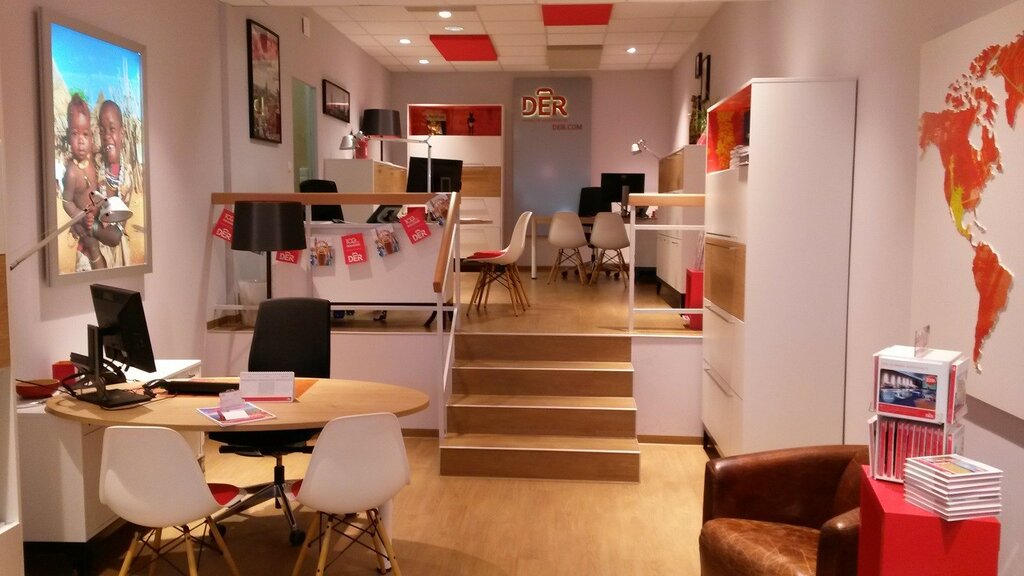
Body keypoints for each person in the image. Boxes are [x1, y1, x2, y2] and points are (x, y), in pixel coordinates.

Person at [61, 95, 105, 270]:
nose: (81, 141)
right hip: (84, 224)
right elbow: (66, 202)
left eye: (85, 134)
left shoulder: (93, 163)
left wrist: (99, 208)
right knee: (92, 249)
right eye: (75, 134)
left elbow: (98, 189)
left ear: (91, 136)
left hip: (97, 218)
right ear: (68, 135)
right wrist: (79, 215)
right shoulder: (72, 172)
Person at [95, 99, 130, 267]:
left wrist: (93, 229)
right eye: (102, 130)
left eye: (112, 129)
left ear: (122, 133)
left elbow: (116, 235)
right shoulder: (94, 170)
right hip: (95, 255)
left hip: (117, 257)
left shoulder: (126, 178)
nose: (106, 135)